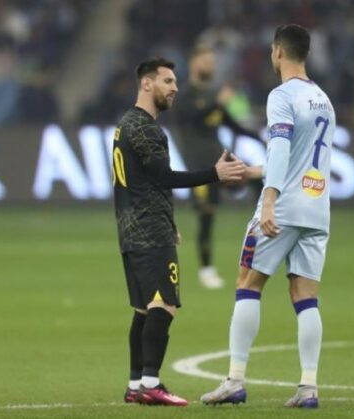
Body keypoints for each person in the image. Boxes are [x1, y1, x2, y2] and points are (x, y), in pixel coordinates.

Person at [200, 24, 334, 409]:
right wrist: (253, 172)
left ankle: (234, 381)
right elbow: (303, 157)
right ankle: (309, 387)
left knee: (248, 283)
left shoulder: (282, 95)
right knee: (305, 296)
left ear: (278, 52)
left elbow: (280, 149)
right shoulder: (322, 99)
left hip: (284, 205)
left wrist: (269, 198)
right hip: (317, 207)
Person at [113, 57, 246, 406]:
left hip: (133, 228)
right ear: (146, 84)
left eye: (175, 82)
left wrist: (169, 223)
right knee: (165, 304)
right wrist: (214, 173)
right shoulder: (145, 128)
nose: (174, 88)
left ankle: (136, 384)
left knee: (144, 309)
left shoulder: (126, 125)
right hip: (147, 231)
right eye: (168, 81)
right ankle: (152, 384)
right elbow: (166, 178)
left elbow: (147, 183)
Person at [175, 44, 261, 289]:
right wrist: (216, 103)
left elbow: (232, 125)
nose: (211, 65)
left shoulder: (213, 95)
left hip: (220, 158)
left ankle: (263, 240)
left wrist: (262, 138)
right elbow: (191, 115)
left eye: (212, 62)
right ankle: (206, 270)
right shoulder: (185, 94)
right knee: (206, 216)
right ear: (194, 64)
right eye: (207, 61)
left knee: (257, 178)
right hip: (199, 167)